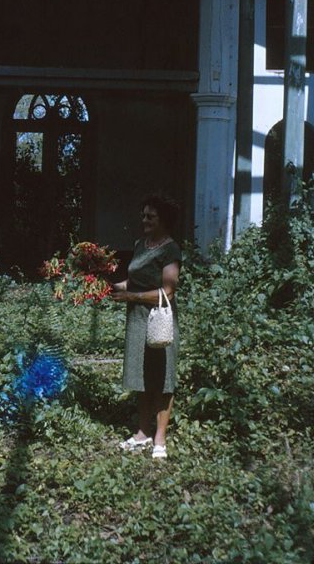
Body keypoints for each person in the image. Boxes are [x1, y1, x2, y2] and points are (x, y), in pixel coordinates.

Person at [111, 194, 181, 460]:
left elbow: (168, 292)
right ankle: (142, 433)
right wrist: (105, 286)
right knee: (141, 376)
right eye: (143, 216)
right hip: (138, 319)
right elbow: (133, 282)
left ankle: (160, 438)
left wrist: (132, 297)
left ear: (163, 220)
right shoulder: (141, 245)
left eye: (150, 216)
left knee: (162, 379)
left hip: (160, 319)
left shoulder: (171, 249)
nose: (144, 220)